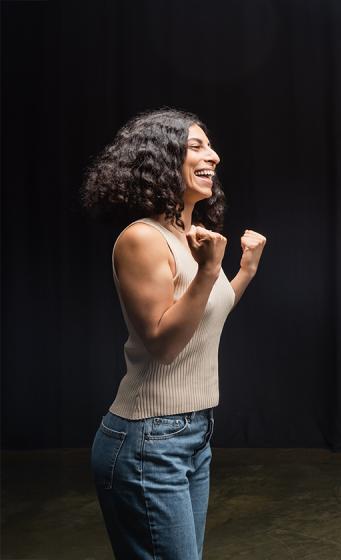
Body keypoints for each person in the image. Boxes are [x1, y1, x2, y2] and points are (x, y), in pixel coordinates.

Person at [82, 108, 267, 559]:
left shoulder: (191, 236)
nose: (214, 156)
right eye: (197, 146)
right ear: (163, 159)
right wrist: (208, 270)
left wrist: (242, 272)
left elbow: (203, 316)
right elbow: (164, 345)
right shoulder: (142, 239)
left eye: (211, 146)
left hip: (193, 432)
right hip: (149, 436)